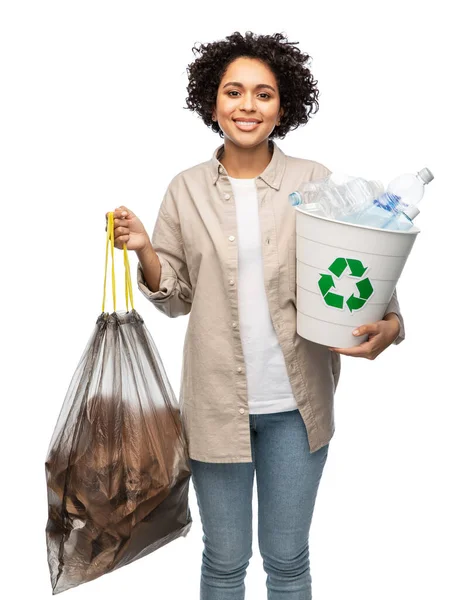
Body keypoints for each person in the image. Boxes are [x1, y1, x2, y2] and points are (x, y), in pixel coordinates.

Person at [106, 31, 405, 600]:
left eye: (263, 94)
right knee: (224, 561)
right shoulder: (186, 189)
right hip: (215, 405)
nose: (247, 106)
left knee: (288, 561)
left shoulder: (314, 179)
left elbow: (359, 260)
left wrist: (390, 323)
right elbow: (175, 296)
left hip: (298, 407)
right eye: (234, 92)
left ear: (283, 105)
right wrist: (145, 248)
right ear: (212, 101)